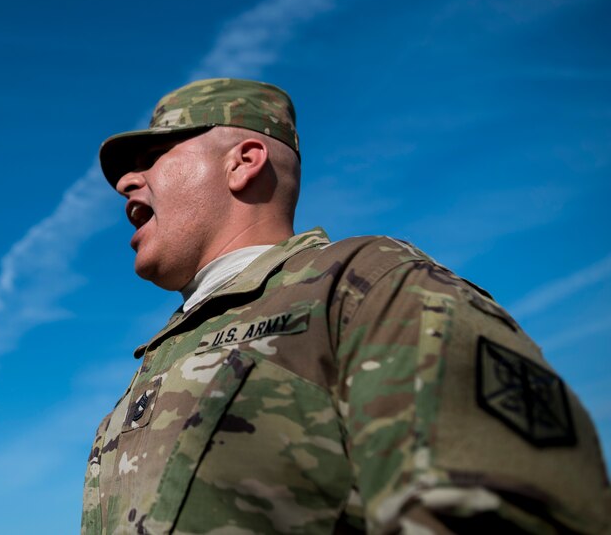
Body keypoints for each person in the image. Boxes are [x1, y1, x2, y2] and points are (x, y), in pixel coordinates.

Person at [81, 78, 610, 534]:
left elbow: (507, 506)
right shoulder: (156, 361)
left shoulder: (362, 286)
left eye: (153, 158)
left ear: (243, 163)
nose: (127, 181)